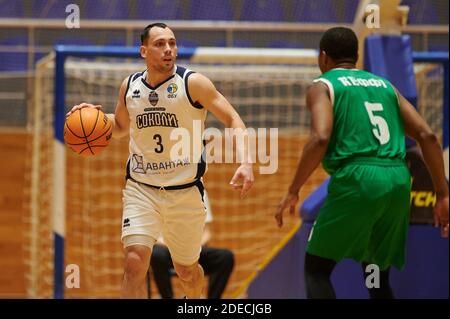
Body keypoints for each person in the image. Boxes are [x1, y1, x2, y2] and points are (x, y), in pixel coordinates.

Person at [67, 22, 254, 299]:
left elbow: (232, 118)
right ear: (144, 50)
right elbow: (119, 127)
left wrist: (246, 162)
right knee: (134, 262)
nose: (168, 49)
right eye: (160, 44)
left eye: (172, 43)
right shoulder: (129, 87)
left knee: (188, 271)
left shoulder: (193, 83)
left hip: (185, 192)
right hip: (141, 189)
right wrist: (91, 119)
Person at [275, 27, 448, 299]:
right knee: (376, 277)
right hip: (398, 181)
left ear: (323, 58)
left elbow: (320, 138)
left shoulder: (324, 86)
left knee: (317, 271)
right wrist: (443, 194)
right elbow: (427, 136)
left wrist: (293, 189)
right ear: (356, 56)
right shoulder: (386, 86)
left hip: (358, 181)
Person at [149, 190, 234, 299]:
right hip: (167, 250)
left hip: (194, 250)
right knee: (156, 254)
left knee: (225, 257)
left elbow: (207, 233)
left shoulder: (198, 190)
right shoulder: (156, 191)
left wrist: (191, 248)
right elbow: (153, 237)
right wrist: (177, 247)